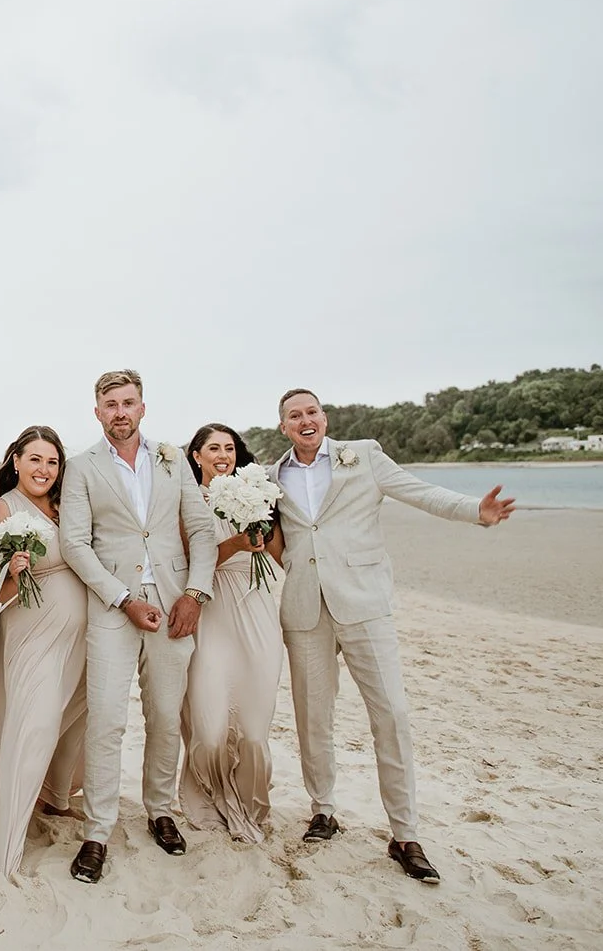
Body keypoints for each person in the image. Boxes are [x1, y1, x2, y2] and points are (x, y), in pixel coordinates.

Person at [270, 388, 516, 884]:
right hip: (303, 609)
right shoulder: (272, 476)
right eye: (294, 416)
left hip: (364, 605)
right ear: (284, 427)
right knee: (313, 717)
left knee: (392, 715)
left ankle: (405, 834)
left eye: (312, 411)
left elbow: (420, 491)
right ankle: (323, 810)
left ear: (325, 416)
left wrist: (475, 511)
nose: (305, 420)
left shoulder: (363, 455)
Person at [58, 369, 218, 884]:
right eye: (111, 404)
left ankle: (160, 811)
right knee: (107, 720)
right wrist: (123, 599)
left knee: (165, 717)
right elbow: (75, 544)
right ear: (98, 411)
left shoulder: (173, 460)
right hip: (113, 607)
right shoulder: (82, 467)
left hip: (174, 603)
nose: (120, 411)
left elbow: (200, 529)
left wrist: (194, 594)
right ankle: (98, 831)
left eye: (129, 402)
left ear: (143, 408)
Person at [0, 425, 89, 880]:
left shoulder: (68, 506)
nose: (44, 469)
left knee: (74, 720)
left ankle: (53, 799)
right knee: (34, 724)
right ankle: (7, 839)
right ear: (16, 461)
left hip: (81, 638)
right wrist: (13, 570)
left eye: (52, 462)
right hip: (33, 634)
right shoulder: (4, 507)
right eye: (35, 460)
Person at [177, 423, 283, 844]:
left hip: (256, 609)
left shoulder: (255, 496)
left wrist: (261, 530)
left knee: (255, 729)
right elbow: (188, 559)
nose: (223, 454)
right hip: (209, 609)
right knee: (210, 727)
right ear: (196, 456)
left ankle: (250, 799)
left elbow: (279, 558)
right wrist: (237, 545)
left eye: (230, 447)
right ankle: (207, 793)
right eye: (213, 448)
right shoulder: (188, 501)